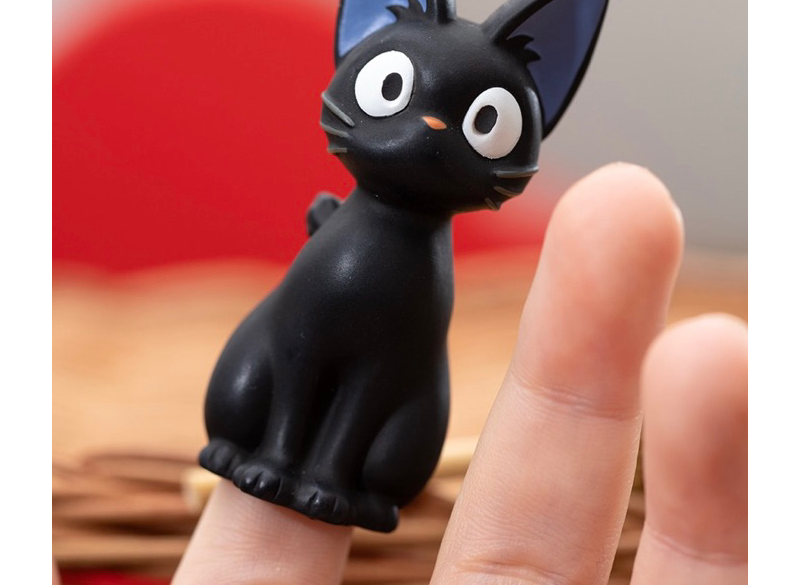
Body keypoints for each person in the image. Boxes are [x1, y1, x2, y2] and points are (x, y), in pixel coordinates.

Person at [172, 163, 747, 584]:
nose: (428, 126)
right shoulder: (353, 238)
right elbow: (293, 346)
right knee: (275, 353)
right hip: (263, 423)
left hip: (373, 445)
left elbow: (388, 377)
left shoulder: (426, 272)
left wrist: (330, 474)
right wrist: (274, 452)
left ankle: (336, 471)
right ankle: (272, 446)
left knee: (392, 388)